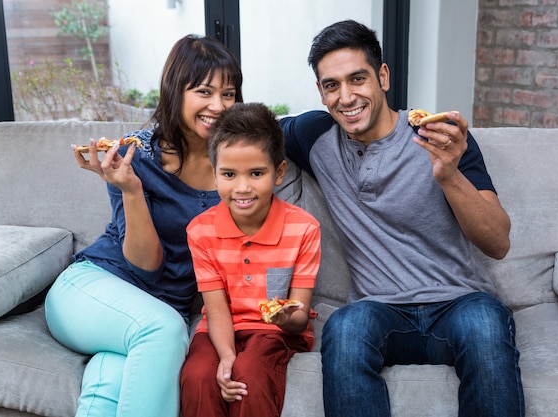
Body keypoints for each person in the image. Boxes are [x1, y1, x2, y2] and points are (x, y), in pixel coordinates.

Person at [279, 20, 525, 417]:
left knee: (486, 325)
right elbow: (245, 132)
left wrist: (448, 174)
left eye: (357, 79)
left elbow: (498, 242)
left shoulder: (437, 136)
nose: (346, 97)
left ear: (383, 76)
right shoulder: (313, 134)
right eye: (331, 85)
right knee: (344, 328)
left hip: (459, 302)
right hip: (380, 310)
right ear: (321, 92)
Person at [44, 34, 243, 417]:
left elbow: (295, 128)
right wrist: (131, 190)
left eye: (229, 94)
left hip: (144, 315)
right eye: (204, 92)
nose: (218, 106)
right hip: (89, 290)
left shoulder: (237, 158)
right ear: (174, 91)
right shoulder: (135, 153)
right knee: (166, 331)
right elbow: (145, 265)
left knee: (107, 392)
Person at [180, 102, 321, 417]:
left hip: (276, 332)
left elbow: (298, 319)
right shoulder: (200, 231)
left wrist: (285, 317)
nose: (242, 187)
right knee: (198, 375)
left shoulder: (304, 229)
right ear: (214, 174)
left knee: (250, 374)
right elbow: (216, 311)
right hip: (221, 327)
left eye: (256, 173)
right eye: (229, 174)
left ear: (279, 172)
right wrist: (226, 356)